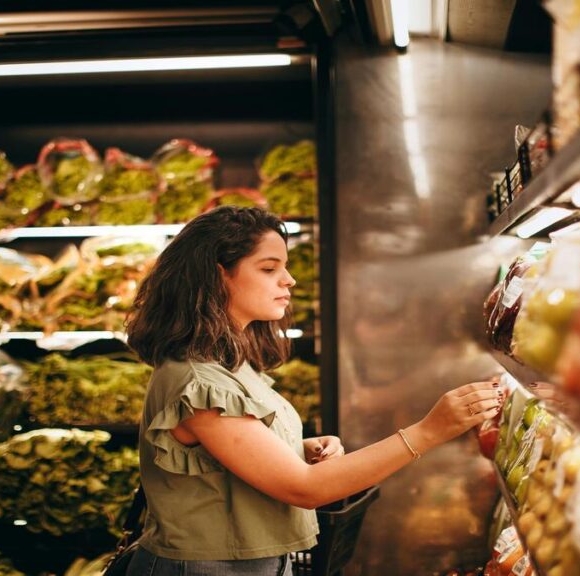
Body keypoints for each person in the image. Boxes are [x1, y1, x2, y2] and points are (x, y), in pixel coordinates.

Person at [124, 206, 501, 576]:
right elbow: (305, 489)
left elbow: (222, 460)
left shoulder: (229, 365)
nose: (288, 280)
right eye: (269, 268)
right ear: (218, 276)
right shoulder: (199, 383)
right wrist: (430, 431)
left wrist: (295, 448)